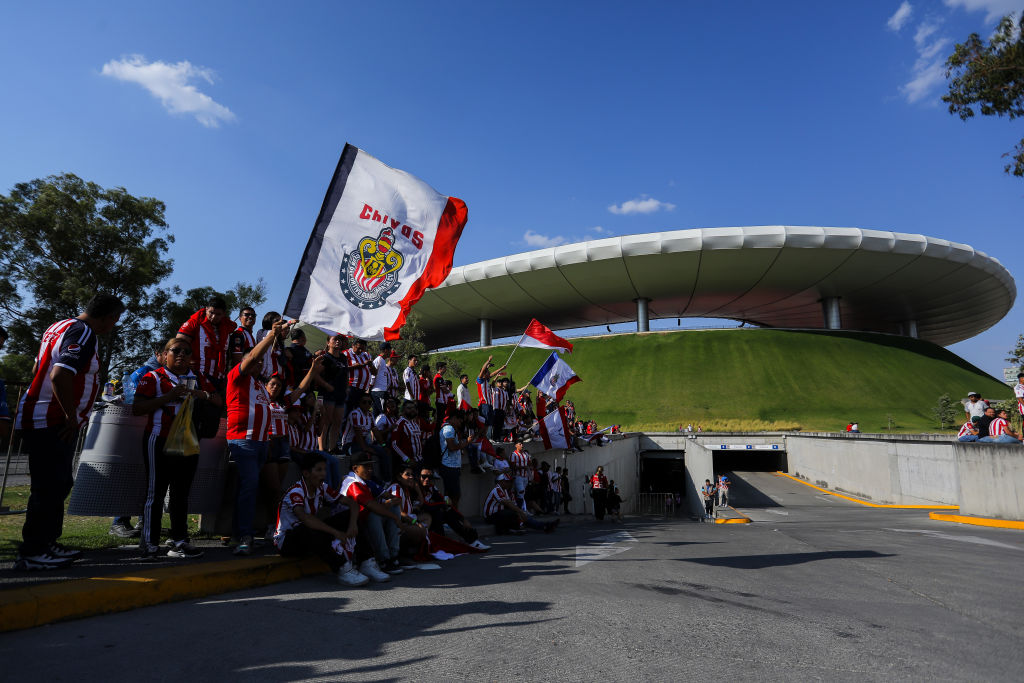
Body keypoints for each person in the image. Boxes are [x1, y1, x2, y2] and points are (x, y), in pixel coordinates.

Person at [15, 293, 125, 570]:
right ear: (108, 317)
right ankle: (34, 551)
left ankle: (46, 542)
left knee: (59, 483)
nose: (113, 326)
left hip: (42, 415)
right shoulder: (84, 332)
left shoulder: (59, 326)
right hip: (52, 419)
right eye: (115, 320)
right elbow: (60, 374)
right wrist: (70, 415)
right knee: (49, 486)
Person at [227, 318, 323, 556]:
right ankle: (243, 536)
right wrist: (272, 336)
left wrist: (312, 370)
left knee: (254, 488)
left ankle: (243, 533)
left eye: (261, 362)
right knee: (250, 487)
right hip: (244, 441)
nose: (259, 364)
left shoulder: (260, 387)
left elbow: (297, 393)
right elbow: (248, 358)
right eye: (256, 360)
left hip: (263, 444)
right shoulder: (236, 378)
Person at [133, 337, 220, 558]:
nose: (181, 354)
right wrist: (168, 397)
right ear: (165, 354)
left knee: (181, 493)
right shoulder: (153, 377)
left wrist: (201, 394)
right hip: (159, 439)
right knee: (156, 492)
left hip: (188, 441)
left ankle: (179, 540)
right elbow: (138, 408)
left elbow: (219, 400)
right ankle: (150, 543)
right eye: (175, 350)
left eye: (186, 352)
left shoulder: (198, 378)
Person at [274, 452, 369, 587]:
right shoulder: (296, 492)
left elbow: (352, 504)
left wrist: (353, 524)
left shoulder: (322, 488)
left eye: (324, 469)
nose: (323, 474)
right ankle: (343, 569)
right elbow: (306, 519)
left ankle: (367, 561)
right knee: (309, 528)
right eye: (319, 470)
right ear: (306, 473)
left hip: (309, 534)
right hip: (288, 541)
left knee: (349, 516)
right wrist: (335, 532)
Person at [340, 452, 409, 580]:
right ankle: (383, 560)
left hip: (362, 522)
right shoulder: (352, 483)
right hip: (349, 526)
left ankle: (393, 557)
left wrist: (390, 502)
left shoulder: (366, 480)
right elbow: (371, 506)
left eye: (371, 466)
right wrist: (395, 517)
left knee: (391, 508)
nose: (370, 470)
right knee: (374, 514)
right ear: (355, 469)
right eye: (366, 467)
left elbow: (391, 497)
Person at [417, 467, 489, 548]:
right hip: (417, 518)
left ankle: (471, 541)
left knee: (447, 512)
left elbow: (444, 502)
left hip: (429, 516)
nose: (427, 479)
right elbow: (426, 505)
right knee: (438, 511)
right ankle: (442, 543)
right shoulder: (415, 488)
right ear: (418, 476)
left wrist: (462, 519)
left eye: (429, 477)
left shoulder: (431, 487)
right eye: (424, 476)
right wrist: (443, 504)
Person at [176, 296, 234, 393]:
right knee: (186, 401)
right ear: (206, 309)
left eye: (218, 314)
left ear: (224, 314)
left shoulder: (227, 327)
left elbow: (227, 355)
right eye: (211, 312)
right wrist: (185, 363)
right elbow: (177, 345)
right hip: (192, 374)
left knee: (214, 406)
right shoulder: (193, 323)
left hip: (218, 378)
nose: (214, 317)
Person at [483, 474, 557, 535]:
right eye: (507, 481)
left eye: (510, 481)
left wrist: (520, 512)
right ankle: (511, 529)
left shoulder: (504, 490)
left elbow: (511, 503)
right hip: (490, 516)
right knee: (514, 513)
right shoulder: (497, 490)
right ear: (501, 482)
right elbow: (508, 503)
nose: (510, 483)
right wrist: (520, 512)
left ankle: (544, 526)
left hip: (499, 514)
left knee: (518, 514)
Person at [319, 333, 349, 453]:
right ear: (328, 342)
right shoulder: (325, 358)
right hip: (327, 393)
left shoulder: (343, 358)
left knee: (337, 422)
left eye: (340, 340)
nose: (338, 342)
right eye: (335, 339)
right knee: (326, 421)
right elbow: (315, 374)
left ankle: (332, 448)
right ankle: (322, 448)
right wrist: (326, 385)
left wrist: (346, 387)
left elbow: (346, 373)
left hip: (340, 393)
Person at [438, 410, 469, 508]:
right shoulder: (448, 429)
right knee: (455, 495)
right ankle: (452, 516)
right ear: (454, 418)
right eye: (460, 421)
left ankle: (449, 517)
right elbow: (452, 447)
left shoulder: (450, 428)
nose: (460, 424)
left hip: (452, 466)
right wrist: (467, 442)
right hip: (449, 467)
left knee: (449, 495)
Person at [391, 400, 423, 466]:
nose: (412, 410)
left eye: (414, 408)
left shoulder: (415, 423)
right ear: (403, 411)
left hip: (419, 460)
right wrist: (406, 459)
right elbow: (394, 444)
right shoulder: (399, 424)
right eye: (409, 408)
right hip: (407, 463)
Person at [369, 344, 394, 416]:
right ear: (385, 350)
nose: (390, 352)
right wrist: (370, 386)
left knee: (379, 412)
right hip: (377, 391)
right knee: (381, 413)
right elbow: (373, 374)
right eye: (390, 350)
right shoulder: (378, 360)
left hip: (382, 390)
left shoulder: (382, 360)